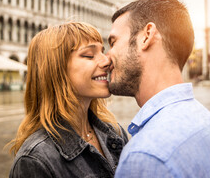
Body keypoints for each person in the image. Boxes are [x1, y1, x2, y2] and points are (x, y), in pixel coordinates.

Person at [107, 0, 210, 177]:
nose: (106, 57)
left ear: (146, 36)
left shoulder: (145, 155)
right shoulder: (206, 120)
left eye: (113, 43)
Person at [8, 22, 128, 178]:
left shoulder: (115, 133)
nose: (106, 61)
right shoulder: (35, 160)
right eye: (89, 55)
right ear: (56, 70)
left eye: (102, 52)